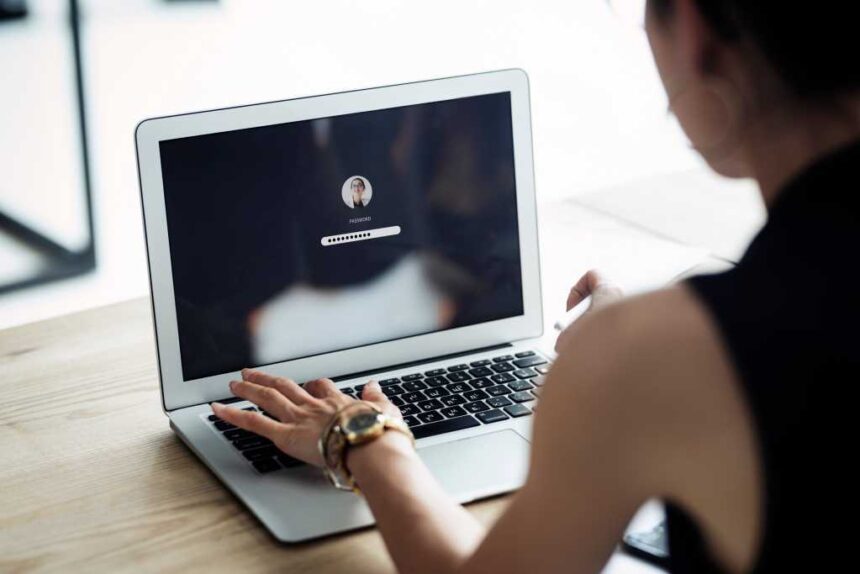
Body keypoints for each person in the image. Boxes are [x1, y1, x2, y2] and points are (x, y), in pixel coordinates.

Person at [210, 1, 860, 572]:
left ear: (694, 28)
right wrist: (651, 340)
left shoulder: (654, 355)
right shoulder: (666, 346)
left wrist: (362, 437)